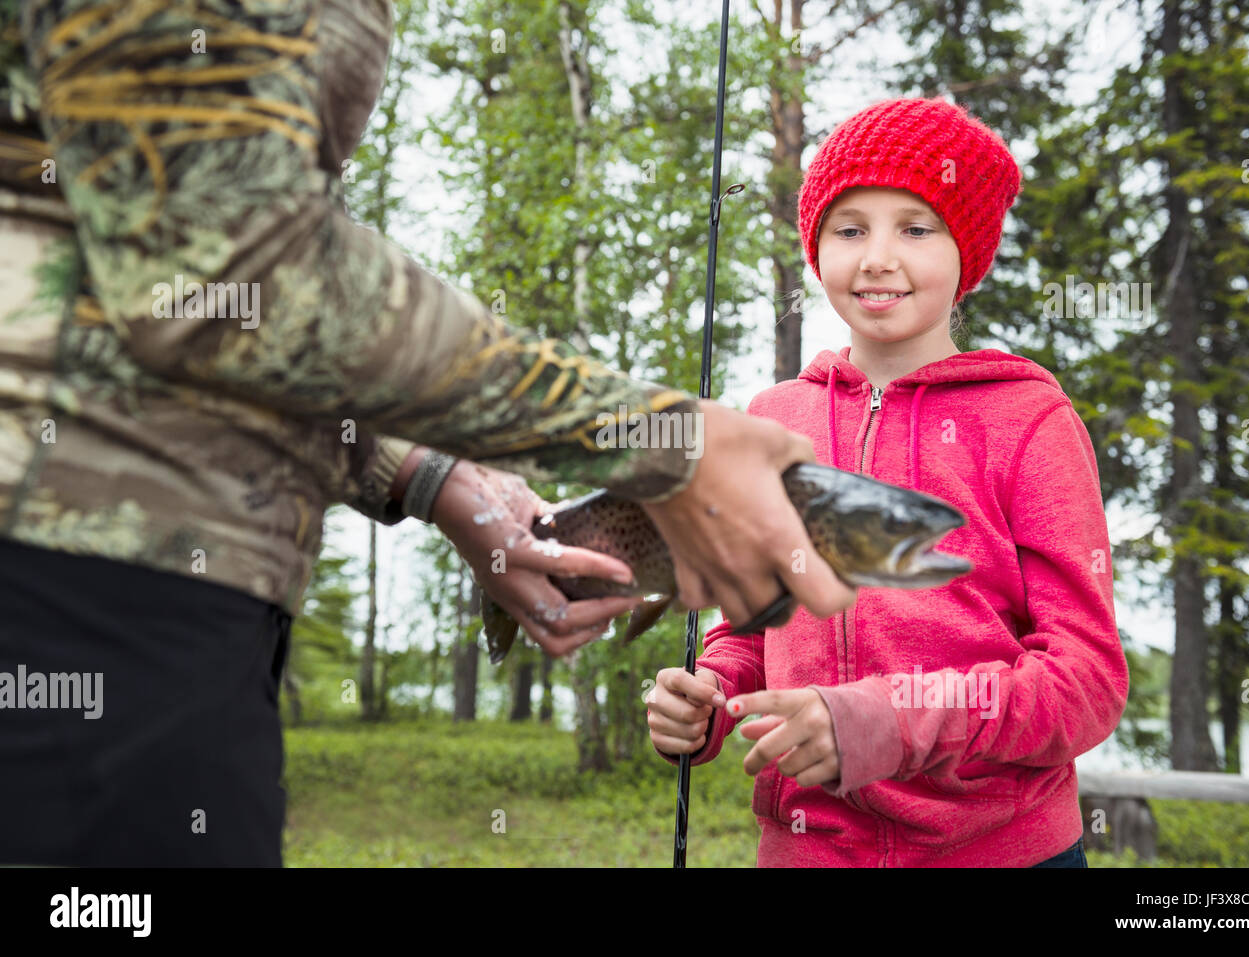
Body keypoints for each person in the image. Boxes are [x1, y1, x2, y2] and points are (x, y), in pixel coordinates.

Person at [0, 1, 854, 867]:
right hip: (74, 574)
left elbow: (252, 313)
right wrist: (654, 439)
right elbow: (221, 266)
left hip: (182, 594)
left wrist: (434, 476)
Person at [648, 97, 1129, 867]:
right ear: (817, 248)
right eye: (850, 228)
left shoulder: (1031, 420)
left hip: (1006, 852)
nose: (876, 256)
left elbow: (1085, 680)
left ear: (965, 250)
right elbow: (749, 624)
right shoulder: (771, 418)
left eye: (915, 226)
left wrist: (888, 721)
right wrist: (708, 694)